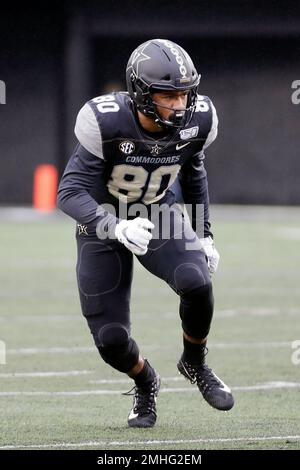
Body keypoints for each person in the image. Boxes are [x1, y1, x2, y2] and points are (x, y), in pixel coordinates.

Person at [57, 38, 234, 428]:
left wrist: (205, 233)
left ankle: (194, 362)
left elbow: (193, 170)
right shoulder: (106, 121)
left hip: (155, 208)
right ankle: (145, 380)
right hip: (101, 220)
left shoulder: (199, 119)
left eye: (185, 94)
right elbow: (68, 191)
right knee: (111, 340)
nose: (180, 104)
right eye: (168, 95)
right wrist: (114, 226)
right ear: (141, 92)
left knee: (197, 281)